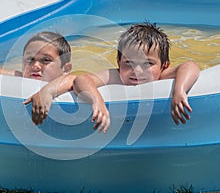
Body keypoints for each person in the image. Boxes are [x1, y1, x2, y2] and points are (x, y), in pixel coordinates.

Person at [26, 22, 200, 133]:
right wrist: (97, 101)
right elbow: (80, 79)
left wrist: (179, 90)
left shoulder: (161, 76)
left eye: (147, 63)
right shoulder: (115, 75)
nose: (137, 70)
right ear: (118, 61)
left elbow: (190, 66)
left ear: (164, 65)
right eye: (128, 62)